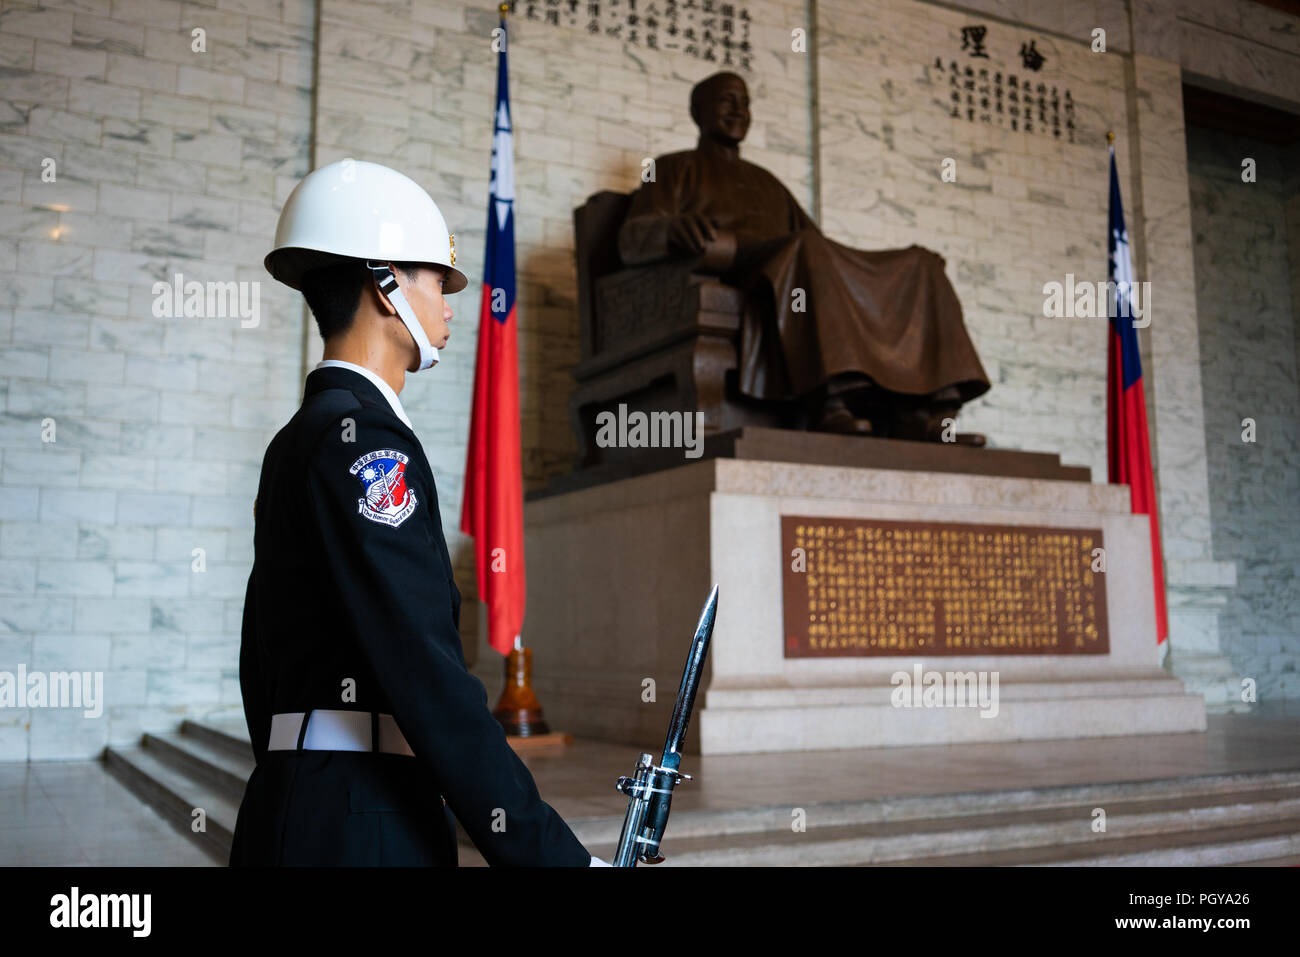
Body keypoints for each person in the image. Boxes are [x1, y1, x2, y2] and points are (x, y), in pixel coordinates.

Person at [230, 158, 609, 866]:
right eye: (438, 279)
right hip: (361, 823)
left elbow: (261, 655)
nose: (451, 304)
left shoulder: (304, 435)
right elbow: (427, 674)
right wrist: (558, 859)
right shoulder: (367, 443)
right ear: (384, 284)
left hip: (305, 801)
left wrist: (298, 769)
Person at [618, 71, 991, 443]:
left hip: (791, 263)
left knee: (920, 263)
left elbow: (822, 247)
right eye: (727, 100)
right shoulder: (668, 167)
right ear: (698, 112)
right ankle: (828, 404)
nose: (739, 110)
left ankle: (925, 411)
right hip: (737, 267)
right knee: (805, 250)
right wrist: (671, 230)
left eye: (746, 103)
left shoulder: (767, 181)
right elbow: (632, 236)